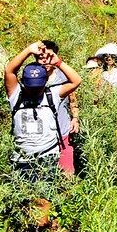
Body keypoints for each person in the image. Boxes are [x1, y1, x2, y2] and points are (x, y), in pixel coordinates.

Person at [4, 41, 82, 182]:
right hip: (23, 158)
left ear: (45, 81)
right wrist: (29, 50)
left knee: (49, 194)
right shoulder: (17, 95)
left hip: (48, 154)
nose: (34, 90)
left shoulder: (50, 93)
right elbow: (9, 71)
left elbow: (76, 81)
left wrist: (57, 62)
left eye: (37, 86)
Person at [40, 40, 81, 175]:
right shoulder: (32, 77)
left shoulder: (64, 76)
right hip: (42, 136)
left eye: (49, 57)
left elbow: (73, 100)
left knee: (67, 174)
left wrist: (75, 118)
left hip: (62, 133)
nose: (45, 60)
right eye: (41, 57)